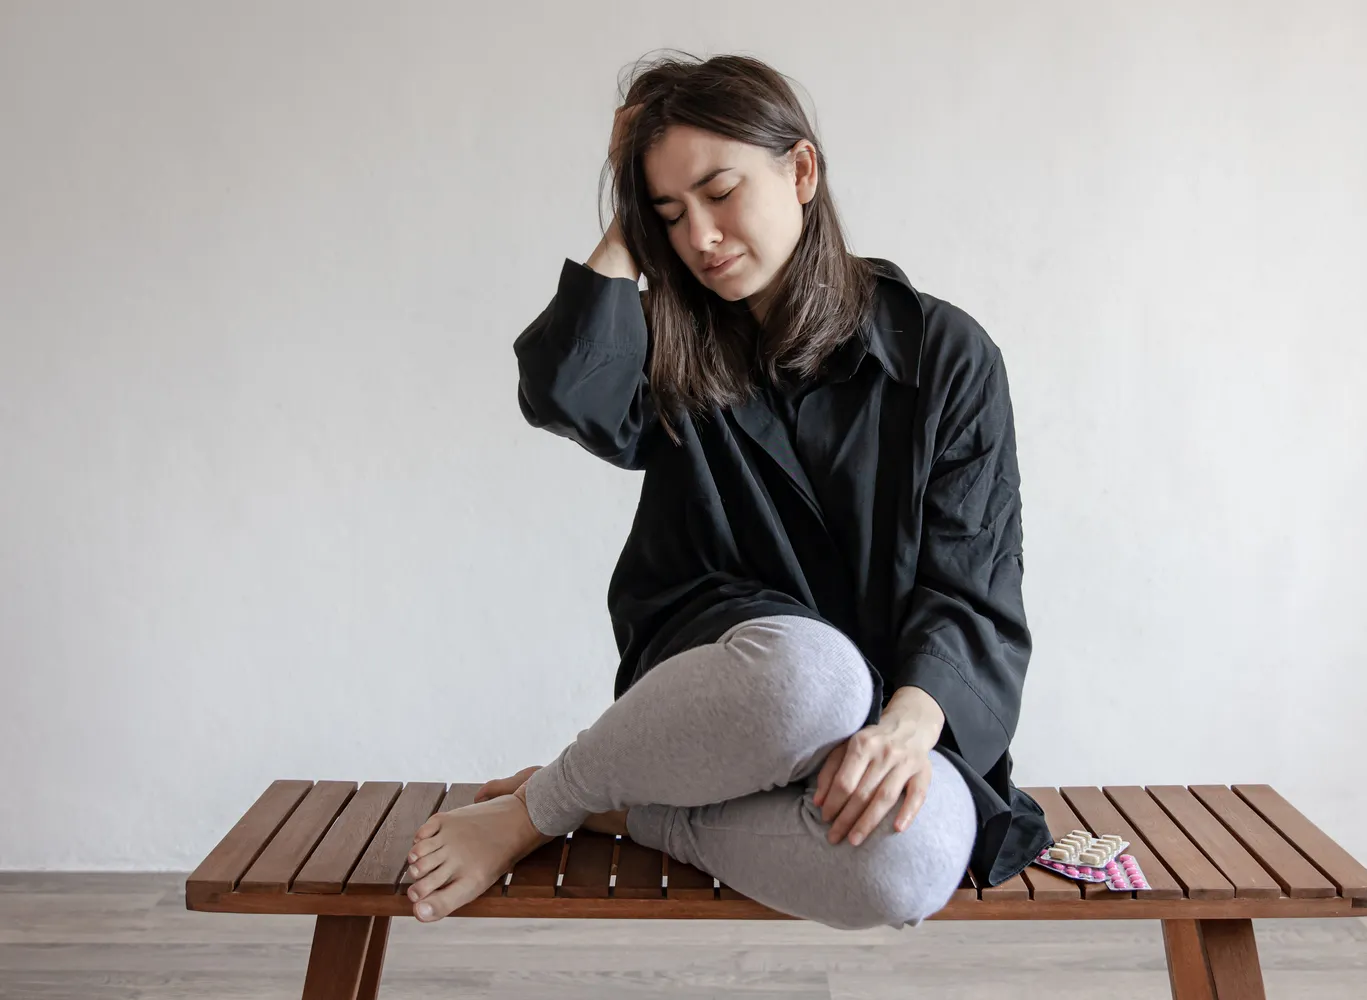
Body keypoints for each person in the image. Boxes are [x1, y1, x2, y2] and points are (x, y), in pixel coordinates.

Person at [403, 52, 1051, 930]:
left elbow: (973, 585)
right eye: (671, 214)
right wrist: (629, 221)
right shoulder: (673, 347)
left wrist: (907, 725)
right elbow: (562, 393)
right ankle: (535, 810)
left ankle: (631, 812)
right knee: (813, 675)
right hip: (733, 689)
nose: (699, 236)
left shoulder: (947, 357)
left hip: (890, 706)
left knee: (920, 858)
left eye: (719, 191)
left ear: (802, 169)